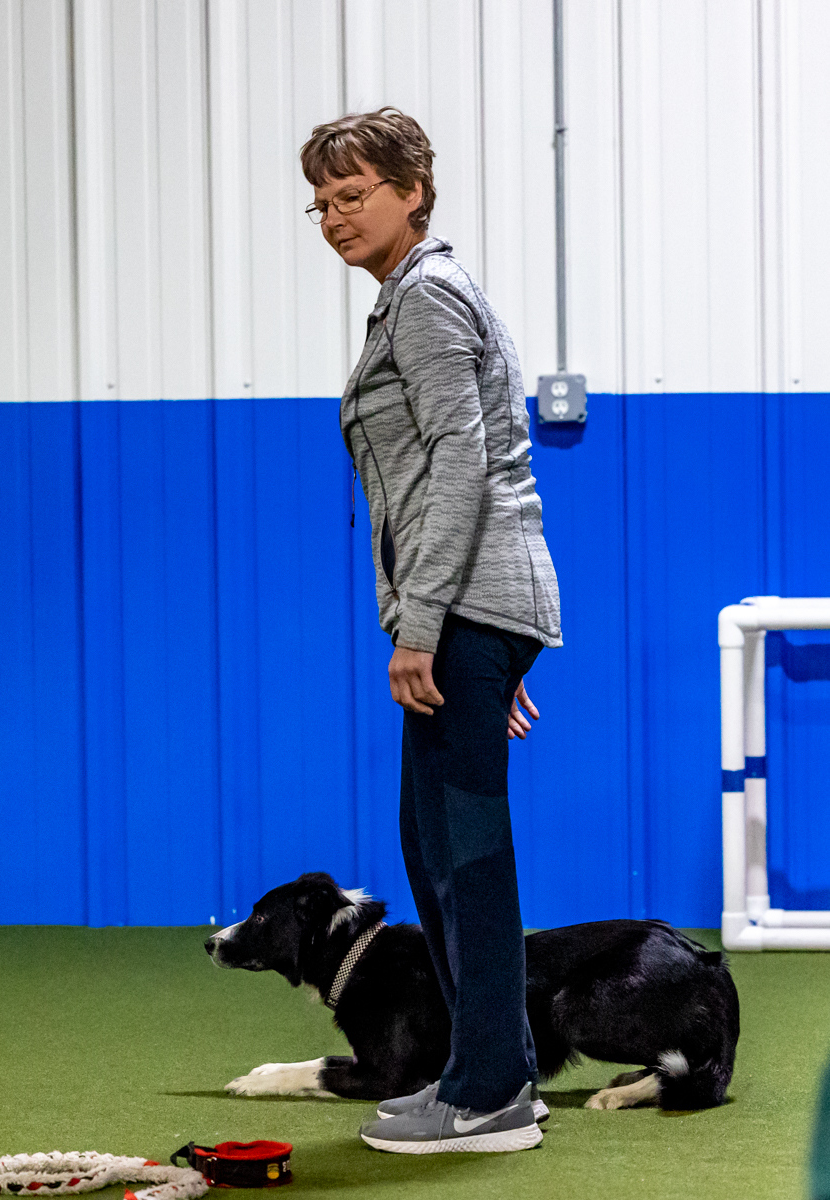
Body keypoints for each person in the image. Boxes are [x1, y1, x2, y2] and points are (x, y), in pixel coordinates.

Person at [300, 107, 562, 1155]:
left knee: (466, 856)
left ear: (411, 192)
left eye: (352, 194)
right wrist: (479, 637)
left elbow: (461, 465)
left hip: (460, 609)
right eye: (320, 203)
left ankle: (490, 1092)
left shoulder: (425, 295)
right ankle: (488, 1072)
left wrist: (429, 629)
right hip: (472, 612)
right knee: (435, 848)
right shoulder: (407, 298)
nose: (333, 216)